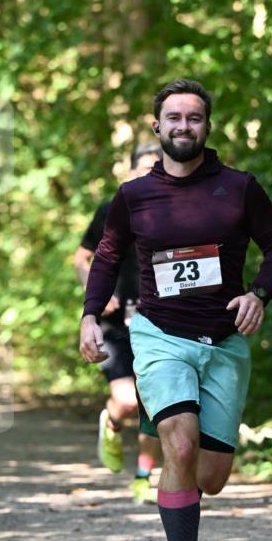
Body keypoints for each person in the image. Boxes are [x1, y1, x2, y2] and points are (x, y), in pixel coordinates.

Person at [80, 79, 272, 541]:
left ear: (207, 126)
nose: (182, 126)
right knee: (178, 449)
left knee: (212, 476)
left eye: (193, 118)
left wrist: (259, 293)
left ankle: (174, 452)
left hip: (223, 342)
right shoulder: (133, 197)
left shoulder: (239, 187)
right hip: (158, 335)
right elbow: (105, 257)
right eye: (172, 118)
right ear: (157, 126)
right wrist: (89, 315)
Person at [74, 144, 162, 504]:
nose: (150, 173)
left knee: (155, 402)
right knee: (127, 400)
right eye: (143, 167)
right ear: (128, 173)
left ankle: (143, 475)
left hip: (158, 321)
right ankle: (111, 421)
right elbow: (82, 257)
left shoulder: (171, 212)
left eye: (157, 167)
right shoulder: (112, 210)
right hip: (116, 321)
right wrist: (96, 293)